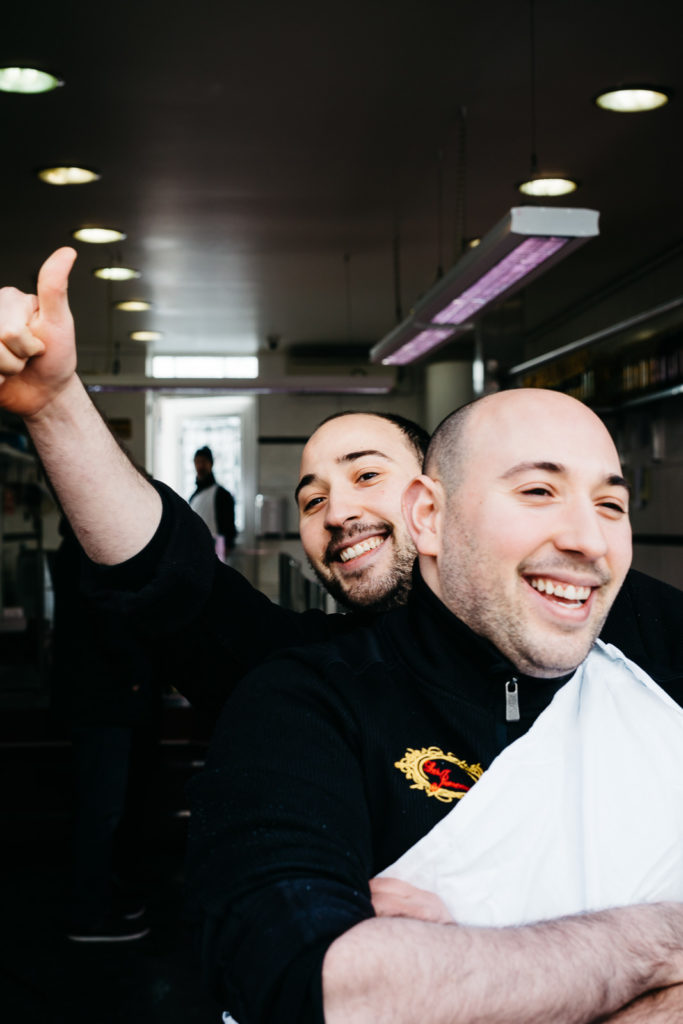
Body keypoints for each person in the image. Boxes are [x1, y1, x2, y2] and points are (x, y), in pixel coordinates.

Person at [184, 389, 683, 1024]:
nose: (589, 539)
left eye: (611, 504)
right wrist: (660, 943)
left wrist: (462, 965)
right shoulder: (303, 703)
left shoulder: (655, 654)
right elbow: (319, 988)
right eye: (537, 491)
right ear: (428, 516)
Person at [0, 247, 678, 712]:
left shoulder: (620, 620)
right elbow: (176, 588)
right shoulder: (321, 680)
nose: (336, 510)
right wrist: (55, 405)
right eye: (314, 498)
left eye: (366, 473)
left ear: (432, 503)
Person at [189, 445, 237, 559]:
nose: (200, 466)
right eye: (197, 462)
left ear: (210, 464)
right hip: (196, 548)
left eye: (203, 462)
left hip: (216, 549)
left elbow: (229, 526)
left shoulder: (222, 494)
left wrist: (227, 546)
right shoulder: (193, 497)